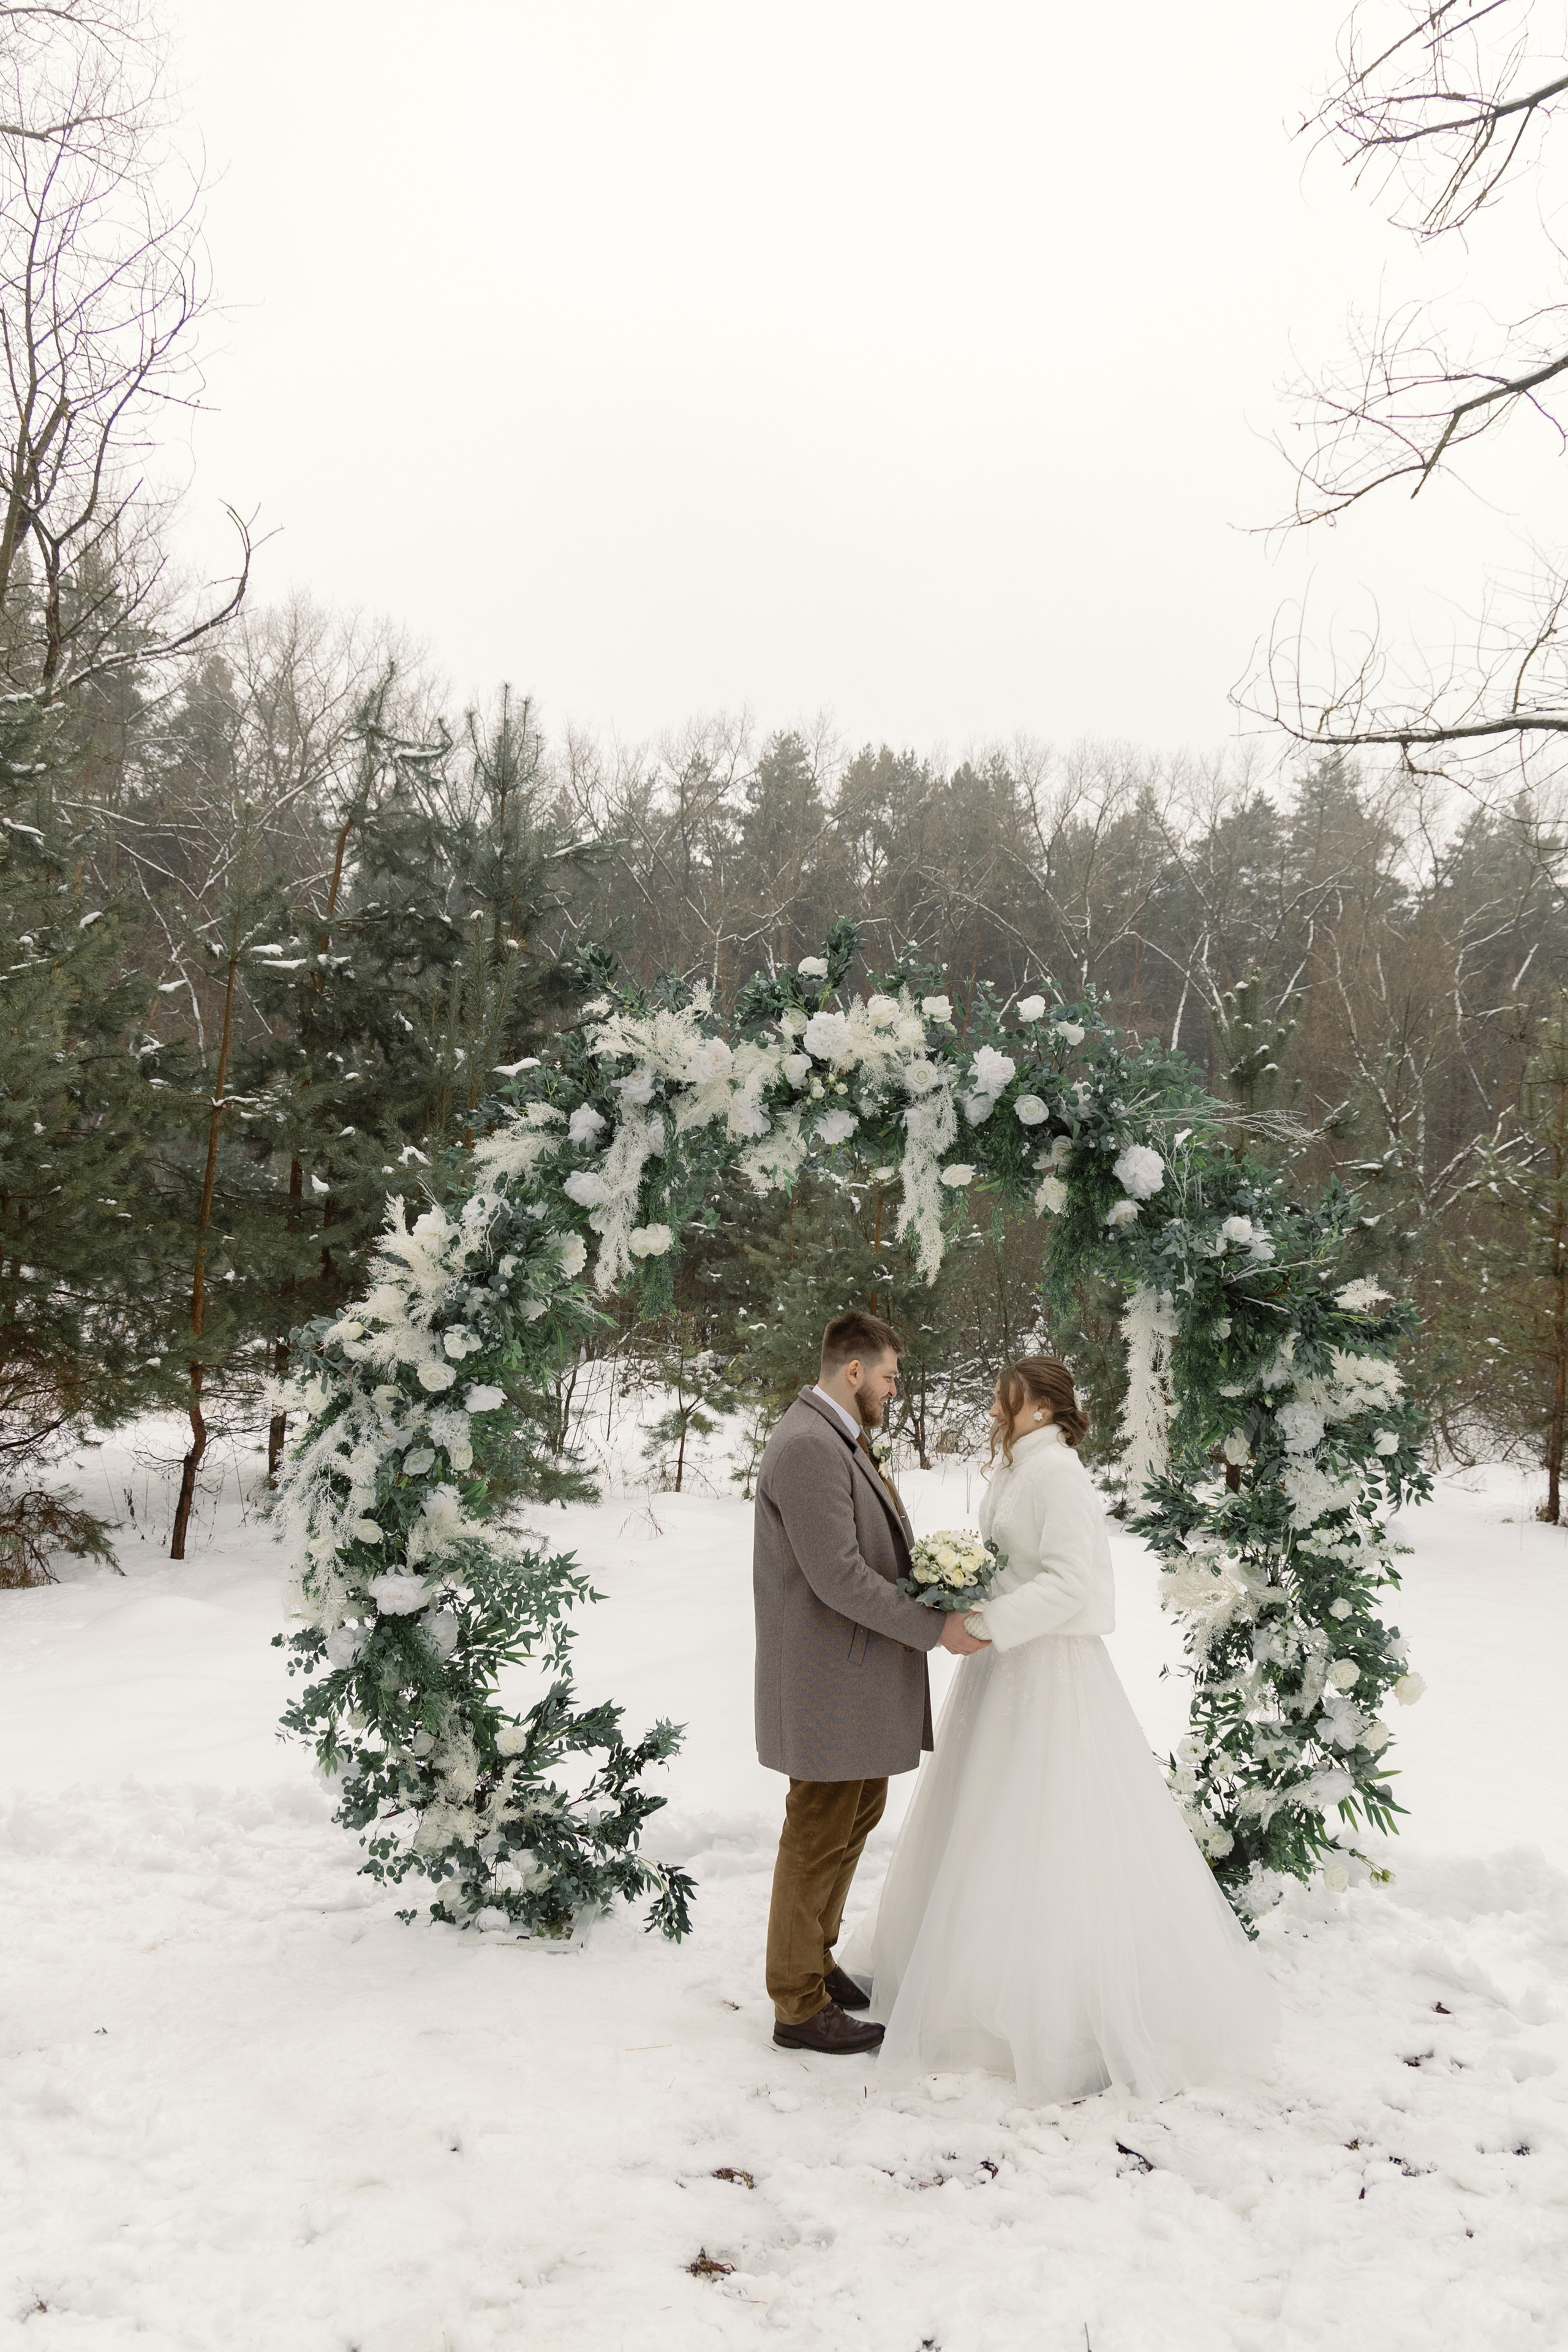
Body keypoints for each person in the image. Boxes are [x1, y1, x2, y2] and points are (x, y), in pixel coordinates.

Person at [842, 1355, 1280, 2101]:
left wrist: (988, 1617)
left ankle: (1061, 2004)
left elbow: (1073, 1581)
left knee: (1046, 1822)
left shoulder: (1058, 1476)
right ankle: (953, 1970)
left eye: (1004, 1397)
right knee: (984, 1814)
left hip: (1046, 1671)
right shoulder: (1017, 1468)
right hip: (1001, 1667)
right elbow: (1015, 1561)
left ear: (1042, 1408)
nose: (992, 1406)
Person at [752, 1311, 989, 2054]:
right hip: (827, 1681)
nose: (895, 1388)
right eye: (889, 1375)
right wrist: (934, 1627)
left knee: (852, 1822)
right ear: (853, 1372)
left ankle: (815, 1965)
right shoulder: (807, 1446)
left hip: (851, 1679)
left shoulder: (834, 1439)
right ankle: (796, 2006)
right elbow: (838, 1577)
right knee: (819, 1831)